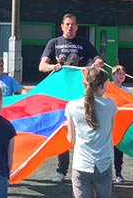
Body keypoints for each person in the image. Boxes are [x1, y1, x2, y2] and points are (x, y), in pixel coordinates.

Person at [64, 68, 118, 198]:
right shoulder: (111, 105)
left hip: (81, 166)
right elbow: (111, 132)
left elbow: (71, 140)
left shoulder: (71, 106)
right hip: (103, 165)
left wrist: (69, 128)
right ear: (102, 86)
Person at [38, 13, 104, 183]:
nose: (70, 27)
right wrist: (54, 67)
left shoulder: (84, 43)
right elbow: (42, 66)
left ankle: (87, 169)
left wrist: (97, 63)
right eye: (67, 24)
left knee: (86, 128)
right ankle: (62, 170)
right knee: (63, 129)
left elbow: (98, 59)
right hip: (60, 94)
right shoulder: (54, 43)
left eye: (73, 24)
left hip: (80, 93)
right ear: (62, 26)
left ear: (76, 26)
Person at [111, 65, 129, 183]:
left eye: (123, 74)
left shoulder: (126, 90)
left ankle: (118, 173)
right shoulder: (107, 87)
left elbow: (131, 103)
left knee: (118, 150)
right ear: (113, 75)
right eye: (119, 73)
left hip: (120, 125)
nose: (121, 76)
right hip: (108, 123)